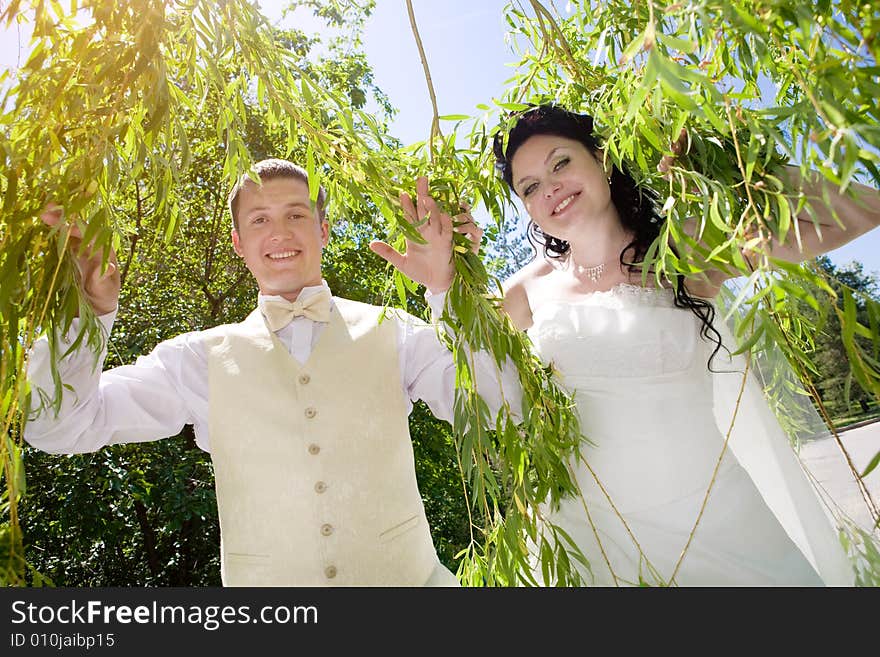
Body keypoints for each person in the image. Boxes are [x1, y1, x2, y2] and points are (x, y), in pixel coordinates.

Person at [24, 158, 519, 587]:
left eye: (296, 215)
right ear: (239, 243)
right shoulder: (197, 360)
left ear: (324, 230)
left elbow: (503, 410)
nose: (279, 233)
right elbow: (61, 424)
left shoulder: (397, 334)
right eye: (260, 219)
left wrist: (450, 289)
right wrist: (82, 312)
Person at [492, 104, 880, 586]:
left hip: (715, 525)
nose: (549, 187)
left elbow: (859, 211)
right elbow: (476, 385)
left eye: (561, 162)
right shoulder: (521, 293)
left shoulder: (684, 248)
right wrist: (444, 286)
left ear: (603, 158)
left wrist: (736, 171)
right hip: (590, 542)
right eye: (529, 187)